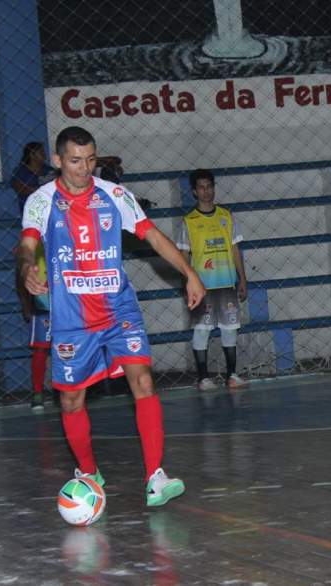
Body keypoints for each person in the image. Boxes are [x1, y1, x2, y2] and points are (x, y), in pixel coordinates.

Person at [18, 126, 205, 507]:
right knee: (71, 400)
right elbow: (26, 246)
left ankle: (156, 476)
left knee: (144, 381)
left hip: (119, 308)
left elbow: (151, 236)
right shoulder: (41, 201)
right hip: (72, 316)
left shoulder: (114, 195)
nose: (84, 168)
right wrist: (26, 270)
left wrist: (190, 274)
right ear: (57, 161)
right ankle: (88, 473)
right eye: (74, 161)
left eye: (90, 160)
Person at [176, 169, 249, 391]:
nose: (206, 191)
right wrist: (188, 282)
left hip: (226, 283)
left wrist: (242, 279)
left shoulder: (226, 216)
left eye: (209, 186)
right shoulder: (188, 221)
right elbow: (183, 256)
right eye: (201, 187)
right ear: (194, 191)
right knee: (201, 330)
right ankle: (203, 378)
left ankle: (232, 375)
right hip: (203, 288)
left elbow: (235, 249)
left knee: (230, 329)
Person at [16, 239, 51, 412]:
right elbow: (21, 271)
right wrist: (26, 304)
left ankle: (83, 385)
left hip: (72, 295)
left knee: (78, 344)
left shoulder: (72, 230)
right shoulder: (32, 240)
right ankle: (37, 392)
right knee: (41, 349)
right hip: (43, 297)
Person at [11, 142, 54, 212]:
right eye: (41, 152)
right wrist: (46, 189)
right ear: (32, 155)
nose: (45, 155)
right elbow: (21, 190)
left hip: (50, 208)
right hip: (30, 210)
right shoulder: (21, 172)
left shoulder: (49, 170)